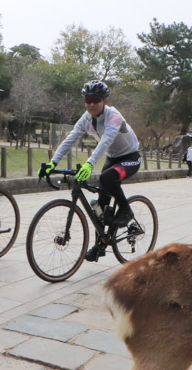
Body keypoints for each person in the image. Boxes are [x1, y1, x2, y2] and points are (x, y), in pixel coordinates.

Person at [39, 80, 141, 261]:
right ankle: (100, 246)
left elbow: (105, 142)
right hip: (112, 157)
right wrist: (53, 162)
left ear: (105, 100)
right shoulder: (86, 118)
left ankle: (126, 211)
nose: (91, 104)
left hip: (130, 157)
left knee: (108, 177)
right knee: (100, 207)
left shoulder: (114, 116)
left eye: (96, 99)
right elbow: (70, 139)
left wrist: (89, 164)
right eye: (88, 99)